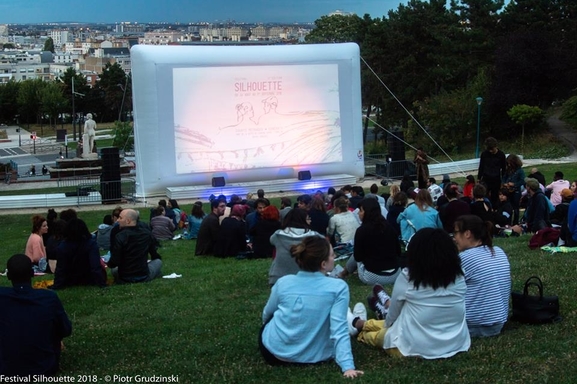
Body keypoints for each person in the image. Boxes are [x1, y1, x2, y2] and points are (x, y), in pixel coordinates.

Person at [349, 228, 470, 358]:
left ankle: (359, 328)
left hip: (413, 346)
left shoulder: (409, 277)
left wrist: (386, 326)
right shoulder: (460, 275)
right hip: (456, 343)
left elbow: (392, 317)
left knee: (375, 336)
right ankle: (360, 323)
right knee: (402, 319)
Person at [260, 237, 363, 378]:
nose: (334, 258)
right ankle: (355, 320)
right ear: (323, 264)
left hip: (275, 354)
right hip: (316, 356)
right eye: (332, 255)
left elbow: (267, 314)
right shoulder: (338, 287)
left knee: (275, 315)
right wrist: (348, 366)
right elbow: (338, 328)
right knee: (338, 318)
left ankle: (354, 319)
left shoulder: (283, 282)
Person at [0, 254, 72, 375]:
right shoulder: (48, 298)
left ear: (8, 276)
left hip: (6, 369)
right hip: (44, 367)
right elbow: (66, 330)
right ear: (32, 273)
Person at [453, 215, 511, 337]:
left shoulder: (466, 258)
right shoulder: (498, 251)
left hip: (475, 325)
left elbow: (444, 289)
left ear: (467, 233)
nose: (454, 238)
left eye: (456, 233)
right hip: (499, 321)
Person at [340, 198, 400, 285]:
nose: (358, 213)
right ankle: (344, 272)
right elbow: (398, 251)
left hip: (373, 277)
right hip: (395, 274)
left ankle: (343, 273)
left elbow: (357, 257)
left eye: (360, 210)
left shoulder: (361, 231)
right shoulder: (389, 227)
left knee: (356, 253)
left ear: (367, 212)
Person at [268, 208, 323, 286]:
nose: (310, 221)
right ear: (303, 220)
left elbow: (271, 241)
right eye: (308, 219)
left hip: (278, 278)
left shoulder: (277, 235)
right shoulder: (315, 237)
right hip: (308, 279)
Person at [108, 209, 162, 283]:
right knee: (158, 262)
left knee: (114, 270)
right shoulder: (146, 234)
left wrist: (108, 264)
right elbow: (154, 254)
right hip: (143, 275)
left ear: (128, 221)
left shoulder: (120, 236)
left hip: (124, 277)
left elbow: (114, 261)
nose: (118, 220)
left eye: (120, 218)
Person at [52, 218, 106, 289]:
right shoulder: (91, 244)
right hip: (89, 279)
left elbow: (60, 269)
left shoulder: (62, 247)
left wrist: (57, 285)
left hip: (70, 280)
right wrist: (102, 284)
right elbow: (95, 266)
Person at [477, 137, 506, 207]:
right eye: (489, 149)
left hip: (496, 179)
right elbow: (481, 166)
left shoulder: (501, 155)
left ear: (495, 146)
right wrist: (479, 178)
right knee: (484, 195)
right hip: (486, 178)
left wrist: (503, 181)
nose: (490, 151)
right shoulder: (484, 154)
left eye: (492, 149)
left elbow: (504, 169)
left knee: (495, 197)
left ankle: (494, 209)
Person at [502, 154, 525, 225]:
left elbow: (522, 181)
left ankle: (515, 222)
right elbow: (504, 178)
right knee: (508, 207)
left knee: (516, 208)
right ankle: (508, 221)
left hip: (516, 191)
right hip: (508, 190)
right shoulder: (508, 170)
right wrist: (505, 183)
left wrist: (514, 184)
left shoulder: (520, 171)